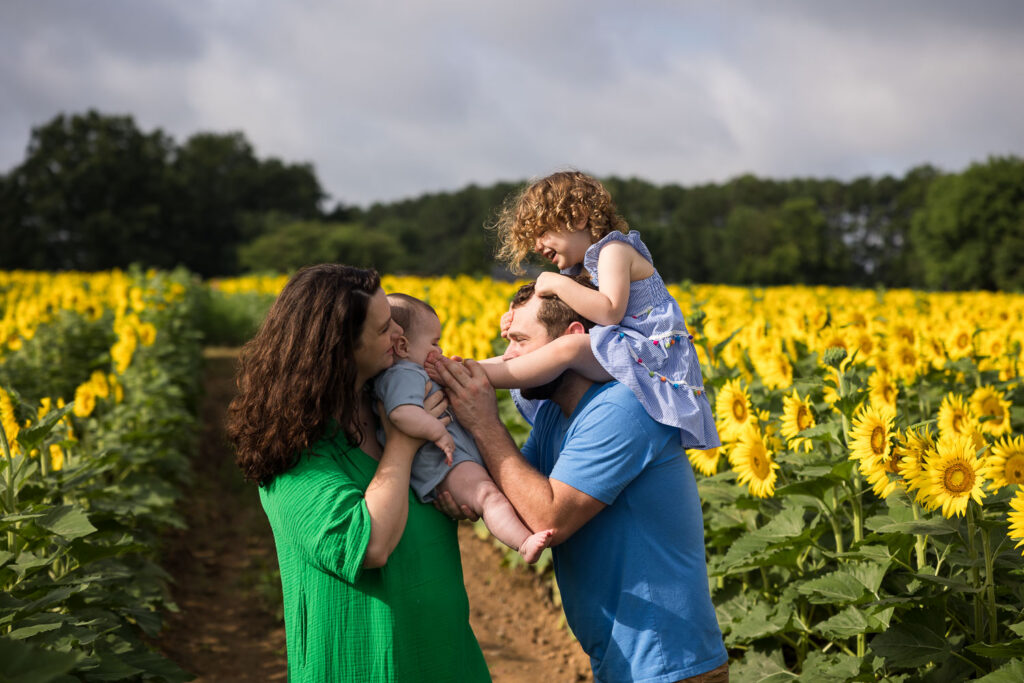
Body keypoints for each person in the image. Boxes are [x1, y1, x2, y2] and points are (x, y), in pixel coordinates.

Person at [428, 281, 729, 683]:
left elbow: (546, 516)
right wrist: (470, 489)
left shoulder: (624, 408)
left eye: (520, 341)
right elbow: (512, 492)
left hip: (667, 663)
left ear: (571, 338)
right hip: (625, 661)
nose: (509, 357)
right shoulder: (557, 411)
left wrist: (483, 421)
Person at [226, 264, 490, 682]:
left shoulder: (392, 400)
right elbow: (369, 547)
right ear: (339, 346)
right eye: (385, 329)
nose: (399, 336)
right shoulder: (294, 452)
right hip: (360, 664)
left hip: (446, 655)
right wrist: (403, 443)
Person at [476, 170, 719, 450]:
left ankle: (476, 378)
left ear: (578, 217)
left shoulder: (613, 250)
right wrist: (519, 321)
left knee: (568, 348)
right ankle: (465, 369)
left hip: (651, 356)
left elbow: (609, 312)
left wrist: (556, 283)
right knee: (536, 349)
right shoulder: (579, 270)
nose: (537, 246)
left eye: (542, 232)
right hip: (623, 347)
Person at [372, 293, 552, 562]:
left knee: (502, 492)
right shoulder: (403, 374)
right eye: (434, 343)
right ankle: (524, 543)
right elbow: (401, 413)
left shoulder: (417, 371)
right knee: (488, 496)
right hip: (446, 462)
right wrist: (437, 431)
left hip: (455, 459)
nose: (441, 351)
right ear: (403, 347)